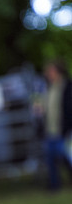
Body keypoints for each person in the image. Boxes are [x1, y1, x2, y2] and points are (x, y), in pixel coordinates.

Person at [42, 60, 72, 191]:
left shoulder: (67, 86)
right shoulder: (48, 88)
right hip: (50, 129)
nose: (47, 74)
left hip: (64, 129)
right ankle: (54, 185)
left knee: (67, 157)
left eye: (50, 71)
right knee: (50, 159)